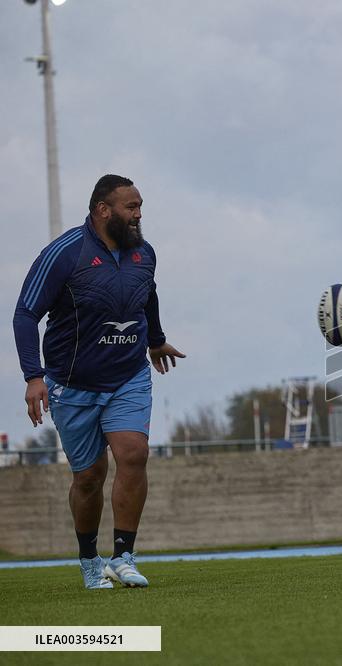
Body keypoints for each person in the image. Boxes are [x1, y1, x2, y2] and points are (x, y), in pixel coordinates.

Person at [13, 174, 186, 588]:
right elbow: (25, 314)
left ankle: (123, 556)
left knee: (133, 454)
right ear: (102, 209)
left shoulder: (144, 253)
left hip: (128, 376)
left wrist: (156, 340)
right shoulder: (64, 253)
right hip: (71, 384)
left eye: (140, 205)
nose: (139, 214)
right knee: (89, 477)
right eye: (131, 207)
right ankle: (90, 561)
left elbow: (149, 294)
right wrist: (33, 376)